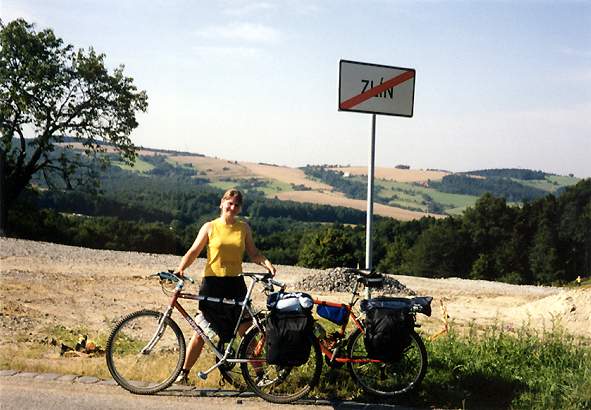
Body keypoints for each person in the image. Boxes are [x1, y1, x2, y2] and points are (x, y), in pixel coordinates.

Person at [175, 188, 276, 384]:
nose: (232, 207)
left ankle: (261, 377)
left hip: (235, 285)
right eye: (230, 203)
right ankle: (183, 374)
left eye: (237, 205)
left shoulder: (243, 228)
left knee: (246, 332)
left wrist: (268, 264)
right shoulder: (209, 227)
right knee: (201, 331)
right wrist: (180, 269)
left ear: (240, 208)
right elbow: (194, 251)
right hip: (212, 285)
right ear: (222, 203)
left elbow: (254, 254)